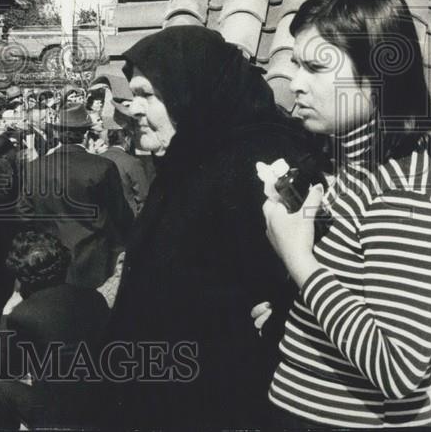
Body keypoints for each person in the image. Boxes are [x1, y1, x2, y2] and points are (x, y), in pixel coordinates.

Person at [106, 25, 319, 429]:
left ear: (192, 93)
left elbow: (283, 298)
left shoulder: (256, 166)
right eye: (134, 95)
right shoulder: (188, 160)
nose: (133, 109)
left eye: (147, 95)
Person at [263, 0, 431, 428]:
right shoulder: (343, 166)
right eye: (295, 64)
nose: (295, 82)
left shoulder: (404, 187)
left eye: (316, 66)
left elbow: (399, 368)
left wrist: (300, 263)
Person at [0, 231, 110, 431]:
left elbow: (5, 369)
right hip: (99, 406)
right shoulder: (95, 298)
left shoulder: (22, 313)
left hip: (57, 414)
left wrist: (7, 309)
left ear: (21, 276)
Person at [16, 104, 134, 291]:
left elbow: (24, 214)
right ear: (86, 134)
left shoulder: (34, 168)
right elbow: (120, 215)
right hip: (96, 261)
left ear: (56, 134)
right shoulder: (102, 166)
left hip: (51, 262)